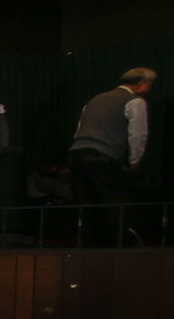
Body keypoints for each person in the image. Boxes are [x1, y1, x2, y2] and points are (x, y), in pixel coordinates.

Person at [67, 68, 157, 244]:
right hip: (103, 155)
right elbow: (138, 135)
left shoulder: (95, 100)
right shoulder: (135, 101)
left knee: (87, 204)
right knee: (114, 201)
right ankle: (114, 245)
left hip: (77, 154)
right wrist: (134, 162)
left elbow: (79, 130)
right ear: (141, 84)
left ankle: (89, 246)